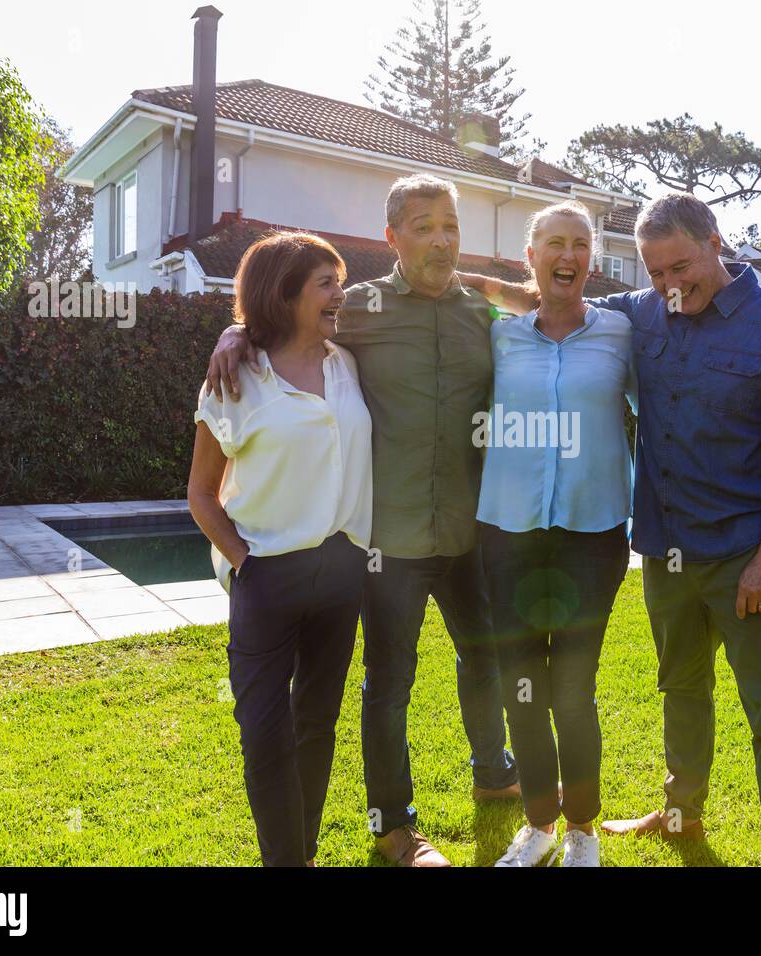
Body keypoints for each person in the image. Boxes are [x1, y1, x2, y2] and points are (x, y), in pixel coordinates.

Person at [466, 192, 761, 866]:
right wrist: (444, 285)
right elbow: (552, 306)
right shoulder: (642, 312)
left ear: (716, 242)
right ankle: (679, 813)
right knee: (682, 691)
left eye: (680, 267)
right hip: (667, 553)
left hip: (748, 555)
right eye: (654, 272)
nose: (669, 286)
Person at [206, 175, 518, 868]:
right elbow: (277, 320)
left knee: (485, 660)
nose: (440, 238)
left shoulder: (480, 313)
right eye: (423, 226)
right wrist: (232, 331)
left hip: (468, 531)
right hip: (388, 544)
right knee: (387, 687)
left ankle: (496, 774)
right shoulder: (359, 310)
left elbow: (541, 324)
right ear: (392, 238)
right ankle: (395, 827)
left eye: (451, 225)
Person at [188, 231, 372, 867]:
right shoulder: (235, 380)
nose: (339, 294)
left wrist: (232, 327)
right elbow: (202, 495)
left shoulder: (348, 360)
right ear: (284, 292)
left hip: (343, 572)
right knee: (265, 736)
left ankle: (302, 856)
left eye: (338, 280)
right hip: (266, 577)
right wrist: (246, 563)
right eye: (325, 283)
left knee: (315, 727)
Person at [477, 201, 636, 868]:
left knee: (572, 688)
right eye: (553, 245)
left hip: (591, 535)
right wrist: (241, 331)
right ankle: (538, 823)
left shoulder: (625, 335)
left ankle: (582, 830)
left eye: (579, 245)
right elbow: (415, 303)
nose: (567, 256)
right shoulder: (498, 338)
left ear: (592, 261)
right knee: (522, 684)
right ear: (530, 258)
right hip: (508, 532)